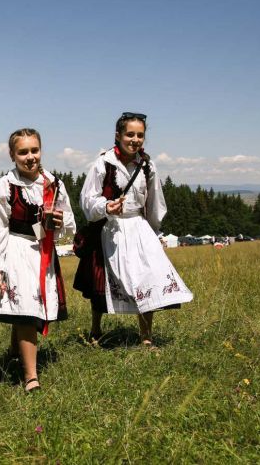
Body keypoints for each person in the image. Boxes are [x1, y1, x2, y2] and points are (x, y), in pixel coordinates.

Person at [74, 112, 193, 347]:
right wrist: (106, 206)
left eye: (140, 135)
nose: (135, 139)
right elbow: (87, 200)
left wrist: (152, 231)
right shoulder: (103, 163)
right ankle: (96, 330)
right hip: (110, 228)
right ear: (118, 136)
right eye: (130, 134)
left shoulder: (148, 165)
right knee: (101, 283)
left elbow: (155, 202)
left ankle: (146, 336)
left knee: (146, 278)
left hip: (139, 227)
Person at [0, 128, 75, 392]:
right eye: (23, 152)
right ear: (12, 155)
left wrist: (58, 224)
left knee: (30, 308)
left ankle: (15, 351)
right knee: (26, 311)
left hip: (42, 252)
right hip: (16, 251)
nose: (30, 157)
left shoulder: (53, 184)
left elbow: (70, 224)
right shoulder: (7, 185)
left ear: (41, 150)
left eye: (34, 150)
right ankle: (31, 376)